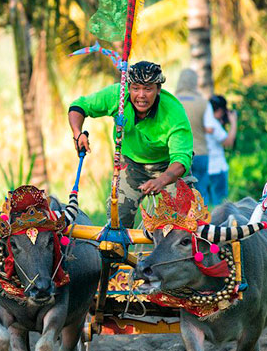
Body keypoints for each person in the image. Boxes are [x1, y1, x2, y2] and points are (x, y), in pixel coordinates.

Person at [68, 61, 194, 228]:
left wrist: (162, 180)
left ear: (158, 89)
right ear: (128, 88)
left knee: (183, 219)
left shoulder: (174, 113)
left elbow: (182, 159)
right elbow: (79, 106)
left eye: (148, 89)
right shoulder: (117, 96)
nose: (141, 95)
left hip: (169, 169)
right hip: (131, 165)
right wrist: (77, 133)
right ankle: (116, 253)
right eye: (135, 88)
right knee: (116, 217)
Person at [175, 68, 216, 203]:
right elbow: (210, 128)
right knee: (201, 193)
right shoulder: (203, 102)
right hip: (200, 153)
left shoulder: (172, 101)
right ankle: (202, 222)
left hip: (178, 155)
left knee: (180, 195)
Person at [206, 95, 237, 206]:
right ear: (220, 111)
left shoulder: (202, 120)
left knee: (205, 206)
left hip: (204, 168)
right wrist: (233, 122)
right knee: (220, 206)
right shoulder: (213, 124)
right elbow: (228, 142)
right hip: (217, 169)